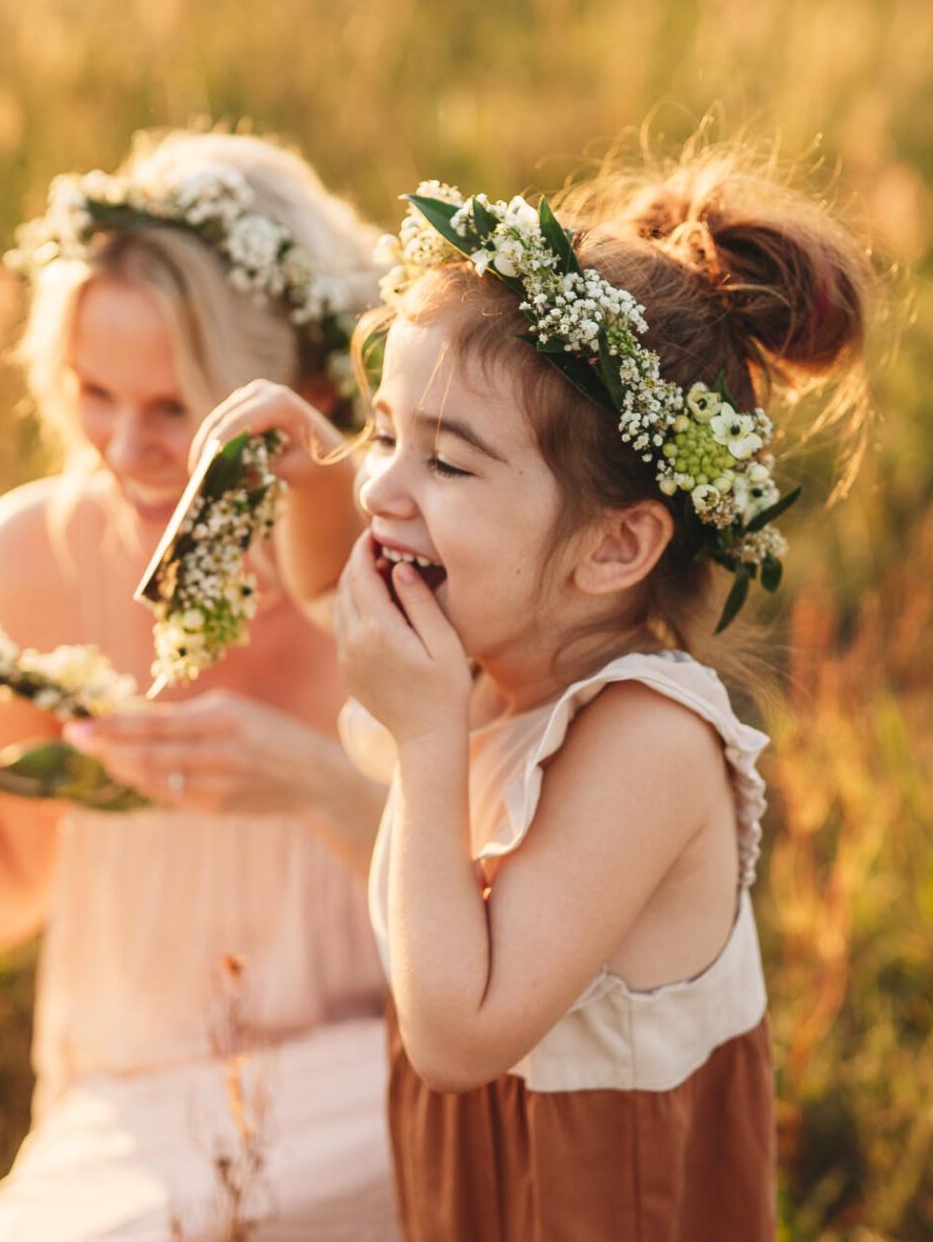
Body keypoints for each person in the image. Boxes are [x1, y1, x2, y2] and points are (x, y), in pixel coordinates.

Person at [195, 152, 872, 1239]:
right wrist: (304, 469)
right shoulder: (501, 638)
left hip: (601, 1200)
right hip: (483, 1191)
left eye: (448, 465)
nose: (382, 487)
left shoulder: (647, 738)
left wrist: (427, 743)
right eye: (382, 434)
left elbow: (459, 1039)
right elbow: (335, 591)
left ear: (616, 545)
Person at [0, 131, 401, 1240]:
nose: (124, 446)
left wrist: (313, 782)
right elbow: (8, 894)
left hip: (384, 1074)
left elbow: (501, 912)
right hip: (133, 1098)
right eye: (93, 392)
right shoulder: (34, 552)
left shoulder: (398, 566)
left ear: (303, 392)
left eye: (177, 409)